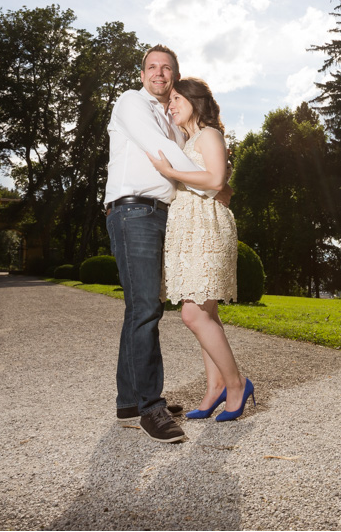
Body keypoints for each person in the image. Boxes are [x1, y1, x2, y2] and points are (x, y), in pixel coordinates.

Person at [103, 45, 227, 443]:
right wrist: (215, 184)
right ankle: (150, 407)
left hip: (162, 214)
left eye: (167, 68)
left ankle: (129, 401)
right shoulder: (131, 103)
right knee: (145, 308)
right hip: (133, 210)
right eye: (152, 67)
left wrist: (213, 181)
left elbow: (184, 154)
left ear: (174, 76)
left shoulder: (171, 118)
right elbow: (167, 155)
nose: (159, 73)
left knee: (141, 305)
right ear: (142, 74)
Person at [147, 77, 255, 422]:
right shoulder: (189, 139)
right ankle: (214, 389)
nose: (171, 105)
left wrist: (169, 170)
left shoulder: (209, 135)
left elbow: (215, 181)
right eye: (170, 101)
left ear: (195, 101)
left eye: (177, 99)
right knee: (207, 314)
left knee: (192, 314)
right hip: (188, 228)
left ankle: (237, 383)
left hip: (207, 228)